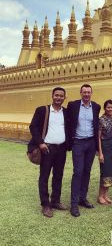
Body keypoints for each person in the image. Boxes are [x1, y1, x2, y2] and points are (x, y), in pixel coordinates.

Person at [28, 87, 69, 218]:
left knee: (58, 175)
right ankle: (46, 204)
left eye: (61, 96)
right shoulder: (43, 110)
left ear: (64, 98)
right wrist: (40, 143)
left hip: (61, 148)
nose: (58, 98)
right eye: (56, 95)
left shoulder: (66, 112)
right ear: (52, 96)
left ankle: (55, 200)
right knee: (44, 176)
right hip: (47, 149)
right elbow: (33, 127)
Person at [67, 84, 101, 217]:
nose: (86, 94)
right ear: (80, 93)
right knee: (78, 172)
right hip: (78, 143)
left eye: (89, 92)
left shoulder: (96, 107)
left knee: (87, 171)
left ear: (91, 93)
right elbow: (68, 121)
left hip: (91, 143)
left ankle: (82, 198)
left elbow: (96, 124)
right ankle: (74, 204)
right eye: (84, 92)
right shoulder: (73, 105)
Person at [97, 100, 112, 205]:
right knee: (105, 171)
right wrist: (100, 153)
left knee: (111, 171)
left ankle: (106, 195)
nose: (111, 109)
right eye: (108, 107)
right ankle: (100, 196)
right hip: (105, 147)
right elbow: (98, 138)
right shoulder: (101, 120)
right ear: (105, 108)